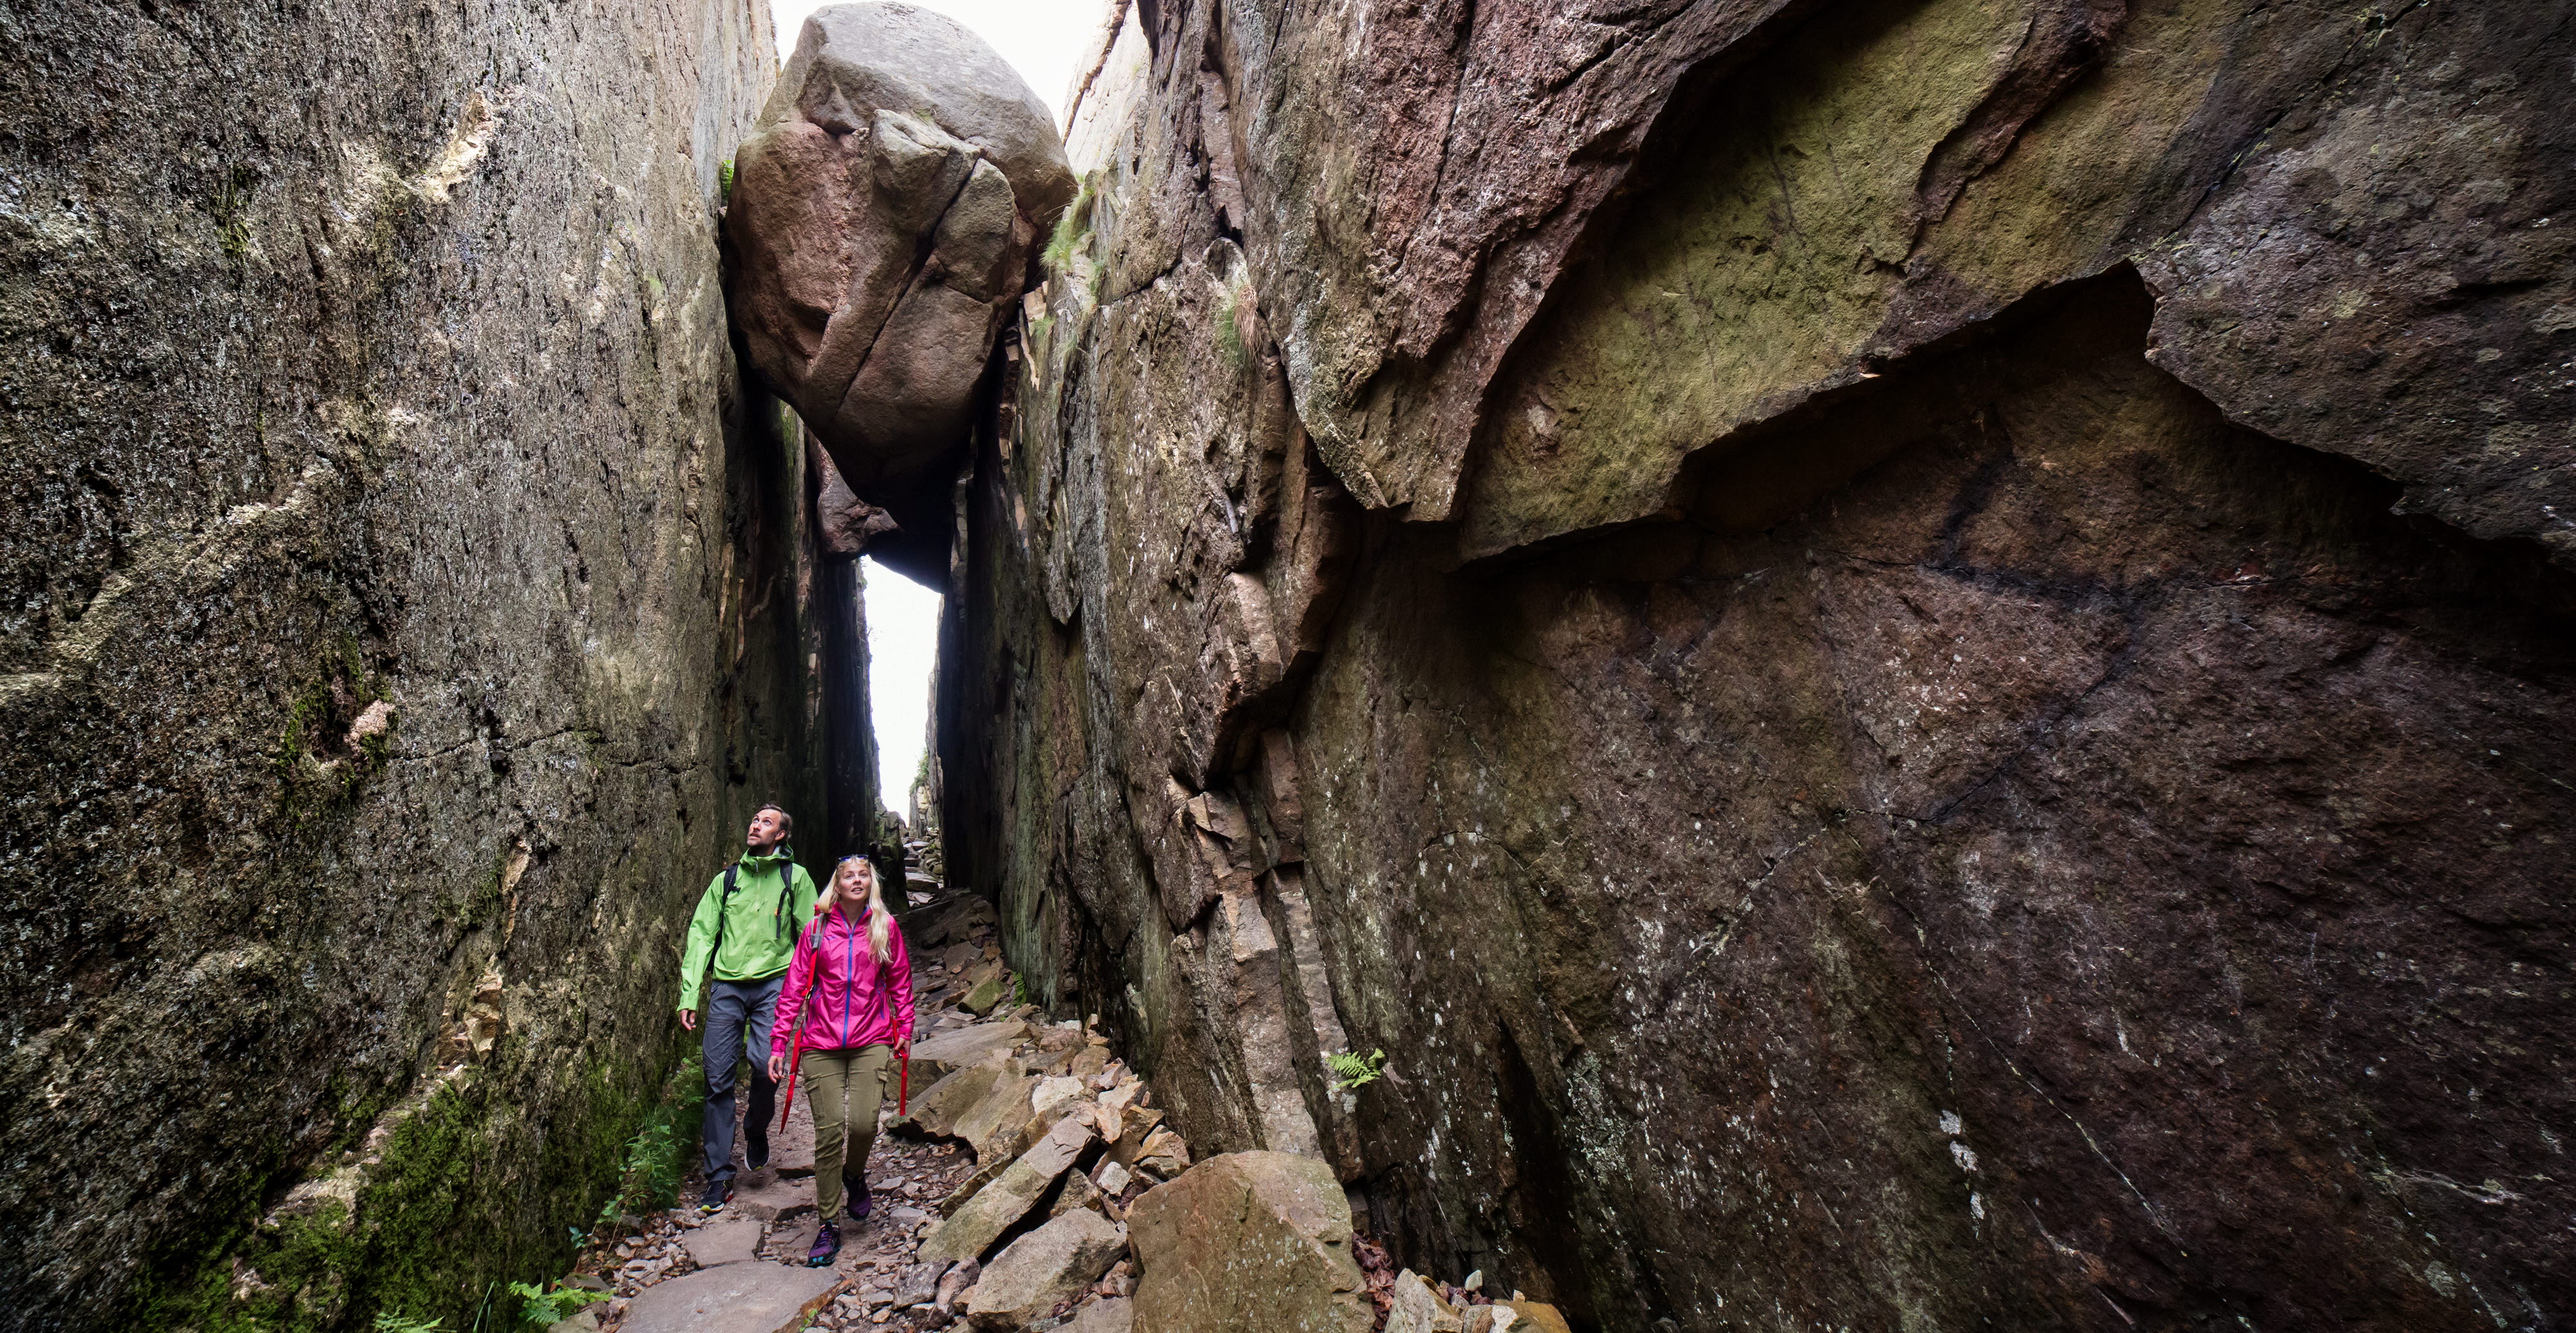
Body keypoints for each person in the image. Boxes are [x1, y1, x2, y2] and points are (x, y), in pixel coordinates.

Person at [768, 854, 916, 1267]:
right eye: (848, 875)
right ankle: (828, 1224)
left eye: (863, 875)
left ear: (872, 883)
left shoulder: (885, 928)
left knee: (866, 1124)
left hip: (872, 1037)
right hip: (820, 1042)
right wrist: (778, 1043)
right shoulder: (816, 931)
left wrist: (904, 1028)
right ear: (836, 884)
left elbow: (900, 982)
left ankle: (854, 1174)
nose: (856, 880)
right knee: (829, 1132)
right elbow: (794, 988)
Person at [676, 804, 820, 1214]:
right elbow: (703, 933)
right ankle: (719, 1176)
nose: (756, 825)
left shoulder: (796, 879)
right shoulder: (728, 880)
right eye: (754, 819)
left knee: (763, 1064)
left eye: (766, 822)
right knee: (717, 1078)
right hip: (727, 987)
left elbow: (811, 936)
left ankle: (756, 1129)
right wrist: (690, 993)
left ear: (781, 836)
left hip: (775, 984)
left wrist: (812, 993)